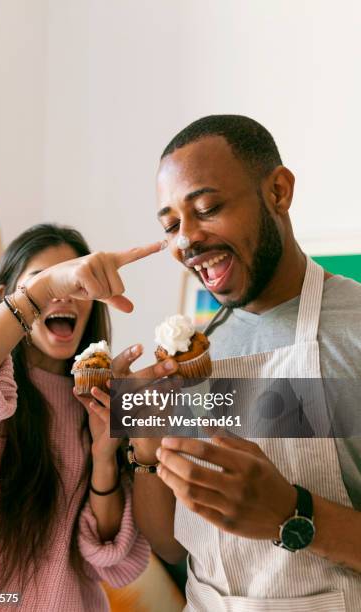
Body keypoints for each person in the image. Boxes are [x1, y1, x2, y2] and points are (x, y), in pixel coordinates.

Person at [110, 116, 361, 611]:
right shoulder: (192, 356)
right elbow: (171, 546)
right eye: (171, 226)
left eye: (207, 208)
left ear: (279, 192)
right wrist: (141, 436)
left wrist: (292, 514)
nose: (186, 241)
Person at [0, 223, 165, 611]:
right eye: (48, 281)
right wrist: (44, 290)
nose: (64, 293)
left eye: (76, 283)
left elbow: (109, 561)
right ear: (7, 296)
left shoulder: (100, 400)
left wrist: (106, 454)